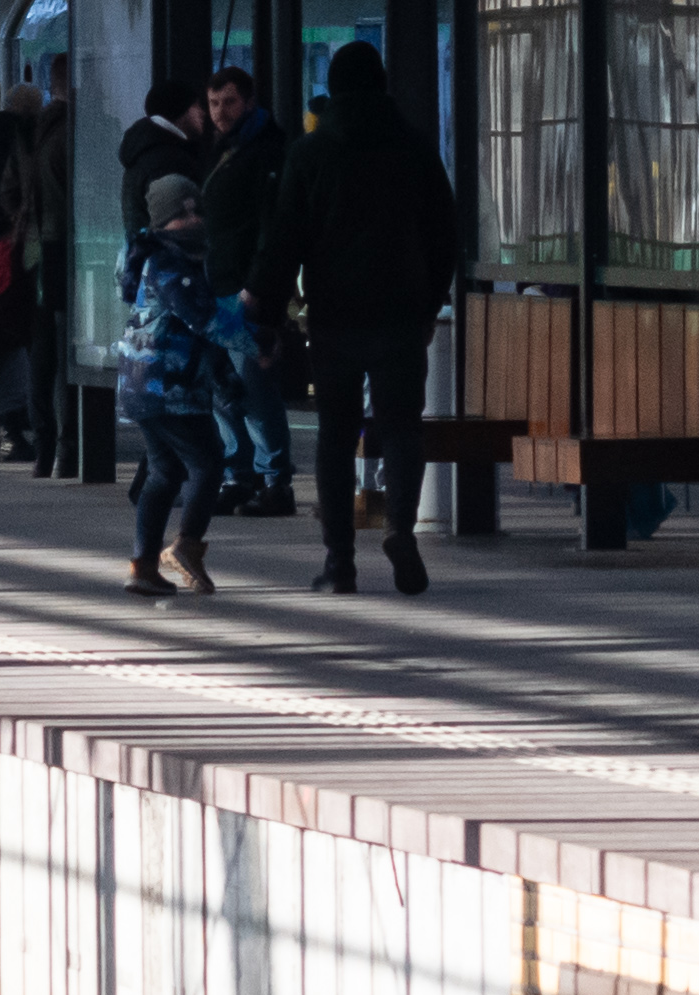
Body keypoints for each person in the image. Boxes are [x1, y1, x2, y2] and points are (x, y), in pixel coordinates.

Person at [255, 40, 460, 597]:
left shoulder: (310, 153)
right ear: (382, 83)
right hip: (399, 313)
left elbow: (284, 241)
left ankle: (339, 561)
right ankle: (400, 529)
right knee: (401, 427)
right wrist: (429, 300)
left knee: (335, 434)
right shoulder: (415, 149)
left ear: (336, 89)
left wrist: (266, 313)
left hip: (335, 316)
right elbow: (445, 233)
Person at [114, 174, 246, 597]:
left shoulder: (182, 259)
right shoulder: (168, 263)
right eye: (178, 214)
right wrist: (257, 338)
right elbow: (204, 322)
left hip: (150, 388)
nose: (190, 220)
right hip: (166, 389)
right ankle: (186, 546)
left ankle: (143, 565)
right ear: (159, 221)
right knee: (208, 461)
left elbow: (202, 339)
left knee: (165, 471)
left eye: (195, 210)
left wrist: (227, 382)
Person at [184, 66, 298, 511]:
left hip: (244, 289)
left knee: (252, 388)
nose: (219, 112)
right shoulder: (223, 150)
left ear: (248, 101)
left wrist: (260, 286)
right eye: (213, 103)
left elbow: (273, 227)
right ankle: (240, 473)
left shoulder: (266, 152)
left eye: (229, 102)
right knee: (224, 387)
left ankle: (275, 479)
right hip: (219, 284)